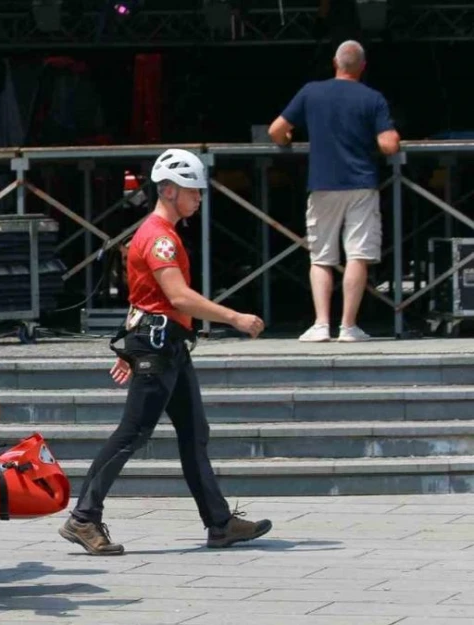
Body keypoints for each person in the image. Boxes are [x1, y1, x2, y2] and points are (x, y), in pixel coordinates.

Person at [58, 148, 273, 556]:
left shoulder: (163, 234)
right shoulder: (159, 237)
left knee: (194, 434)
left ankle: (220, 522)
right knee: (132, 433)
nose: (199, 197)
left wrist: (127, 345)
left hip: (166, 345)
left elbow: (145, 297)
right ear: (170, 190)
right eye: (194, 190)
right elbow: (177, 296)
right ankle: (83, 518)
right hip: (157, 347)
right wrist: (235, 318)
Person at [267, 40, 401, 343]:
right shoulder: (373, 98)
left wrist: (288, 139)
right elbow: (389, 144)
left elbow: (276, 130)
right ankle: (349, 327)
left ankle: (321, 324)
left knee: (321, 257)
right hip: (361, 184)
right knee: (357, 255)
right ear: (362, 67)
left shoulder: (311, 92)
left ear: (335, 63)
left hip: (322, 183)